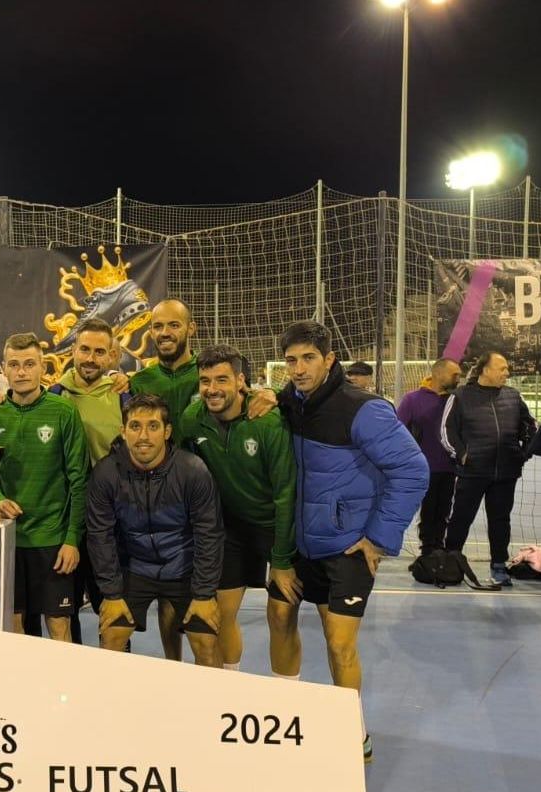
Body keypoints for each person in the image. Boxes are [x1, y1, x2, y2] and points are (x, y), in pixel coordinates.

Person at [276, 320, 428, 764]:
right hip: (301, 546)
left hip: (346, 548)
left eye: (308, 359)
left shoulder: (365, 409)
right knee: (280, 620)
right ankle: (288, 717)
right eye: (291, 360)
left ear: (329, 360)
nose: (299, 369)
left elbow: (413, 471)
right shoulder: (290, 403)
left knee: (339, 643)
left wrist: (378, 538)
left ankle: (352, 733)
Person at [177, 344, 297, 672]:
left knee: (282, 615)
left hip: (276, 527)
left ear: (240, 380)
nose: (212, 389)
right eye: (205, 381)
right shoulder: (193, 420)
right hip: (229, 529)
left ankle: (287, 696)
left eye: (221, 379)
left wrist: (283, 561)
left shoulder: (268, 421)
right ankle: (231, 691)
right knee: (220, 614)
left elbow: (286, 493)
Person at [85, 394, 223, 666]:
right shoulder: (105, 474)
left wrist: (204, 594)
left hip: (184, 567)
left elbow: (209, 533)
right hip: (135, 568)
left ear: (167, 431)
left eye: (153, 426)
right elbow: (100, 536)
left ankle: (207, 705)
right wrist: (112, 594)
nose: (143, 436)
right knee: (111, 634)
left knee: (206, 642)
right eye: (135, 426)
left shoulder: (192, 471)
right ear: (123, 431)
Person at [0, 333, 89, 639]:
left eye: (29, 364)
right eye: (14, 364)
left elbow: (79, 479)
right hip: (9, 538)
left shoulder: (63, 412)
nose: (21, 372)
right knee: (14, 628)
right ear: (3, 370)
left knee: (59, 627)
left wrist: (72, 538)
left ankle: (63, 687)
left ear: (42, 368)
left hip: (53, 540)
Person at [48, 319, 130, 644]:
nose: (91, 359)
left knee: (112, 610)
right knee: (65, 615)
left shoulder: (124, 394)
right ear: (73, 350)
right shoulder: (54, 395)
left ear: (112, 356)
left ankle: (115, 681)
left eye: (100, 352)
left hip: (111, 523)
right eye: (85, 349)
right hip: (66, 522)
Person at [439, 351, 536, 586]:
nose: (507, 373)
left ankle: (499, 566)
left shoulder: (513, 396)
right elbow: (446, 431)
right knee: (461, 518)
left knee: (500, 520)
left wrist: (522, 453)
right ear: (485, 370)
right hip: (472, 472)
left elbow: (530, 426)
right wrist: (462, 456)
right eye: (502, 368)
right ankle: (451, 562)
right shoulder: (460, 396)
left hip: (505, 473)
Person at [395, 358, 462, 553]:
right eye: (455, 374)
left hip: (450, 467)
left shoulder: (456, 400)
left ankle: (438, 548)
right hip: (422, 468)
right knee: (427, 510)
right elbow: (398, 430)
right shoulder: (412, 399)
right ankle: (426, 549)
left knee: (443, 511)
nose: (459, 378)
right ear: (438, 374)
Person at [129, 299, 200, 438]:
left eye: (174, 325)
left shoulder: (209, 374)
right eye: (158, 326)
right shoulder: (139, 382)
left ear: (191, 328)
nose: (165, 332)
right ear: (150, 332)